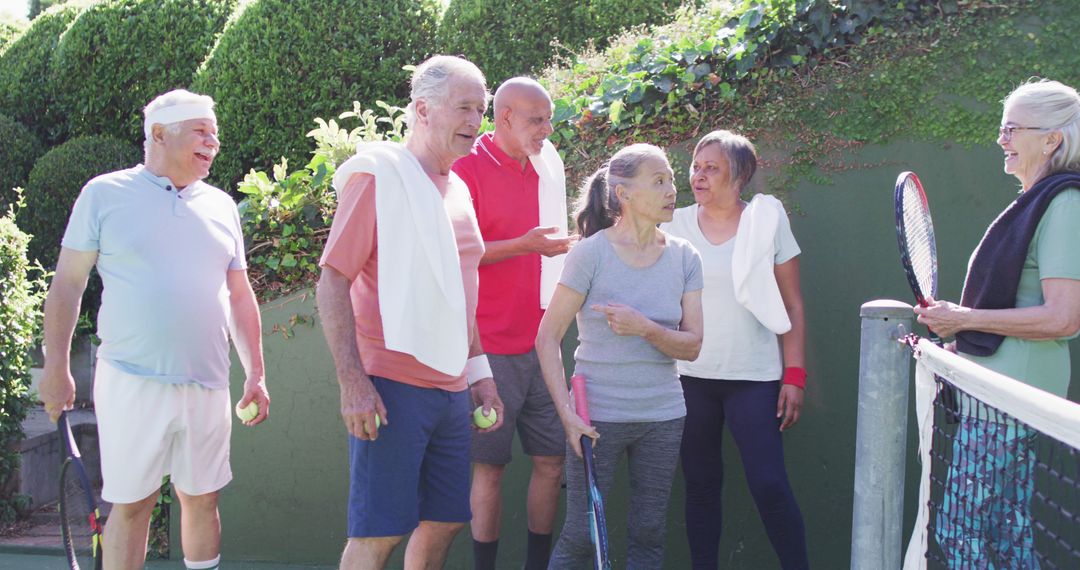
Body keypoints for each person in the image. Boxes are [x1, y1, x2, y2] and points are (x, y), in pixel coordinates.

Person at [39, 89, 270, 570]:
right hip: (130, 379)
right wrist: (56, 368)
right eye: (201, 131)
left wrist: (256, 374)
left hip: (206, 382)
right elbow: (67, 285)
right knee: (132, 506)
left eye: (216, 132)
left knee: (203, 500)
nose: (214, 141)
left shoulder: (223, 206)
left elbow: (239, 296)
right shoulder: (103, 194)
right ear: (160, 134)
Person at [316, 55, 505, 570]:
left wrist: (479, 373)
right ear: (423, 109)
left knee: (444, 521)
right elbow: (332, 282)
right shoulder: (378, 179)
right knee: (379, 533)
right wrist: (352, 383)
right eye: (464, 108)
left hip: (450, 389)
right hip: (390, 386)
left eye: (481, 110)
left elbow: (458, 294)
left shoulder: (460, 190)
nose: (475, 122)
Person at [914, 79, 1080, 566]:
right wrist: (960, 333)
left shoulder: (1066, 204)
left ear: (1051, 139)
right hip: (1003, 391)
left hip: (1010, 397)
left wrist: (964, 321)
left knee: (958, 529)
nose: (1001, 139)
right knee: (1008, 534)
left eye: (1012, 129)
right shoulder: (1042, 201)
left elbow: (1064, 317)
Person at [535, 143, 704, 568]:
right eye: (658, 181)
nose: (671, 190)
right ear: (623, 194)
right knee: (578, 536)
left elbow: (694, 345)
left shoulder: (685, 257)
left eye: (670, 179)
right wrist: (568, 416)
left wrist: (644, 327)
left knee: (649, 533)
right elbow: (547, 337)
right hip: (596, 420)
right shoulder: (590, 254)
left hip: (663, 417)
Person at [659, 130, 809, 569]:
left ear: (740, 175)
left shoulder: (767, 221)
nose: (699, 176)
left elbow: (792, 302)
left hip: (755, 380)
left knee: (769, 485)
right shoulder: (674, 222)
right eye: (696, 167)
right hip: (688, 380)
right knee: (701, 486)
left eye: (712, 168)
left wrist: (794, 376)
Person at [450, 76, 571, 570]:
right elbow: (456, 254)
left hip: (542, 344)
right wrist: (525, 245)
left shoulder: (547, 167)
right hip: (489, 350)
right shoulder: (464, 169)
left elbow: (552, 242)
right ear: (504, 119)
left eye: (549, 119)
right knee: (490, 470)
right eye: (536, 120)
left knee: (551, 461)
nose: (547, 129)